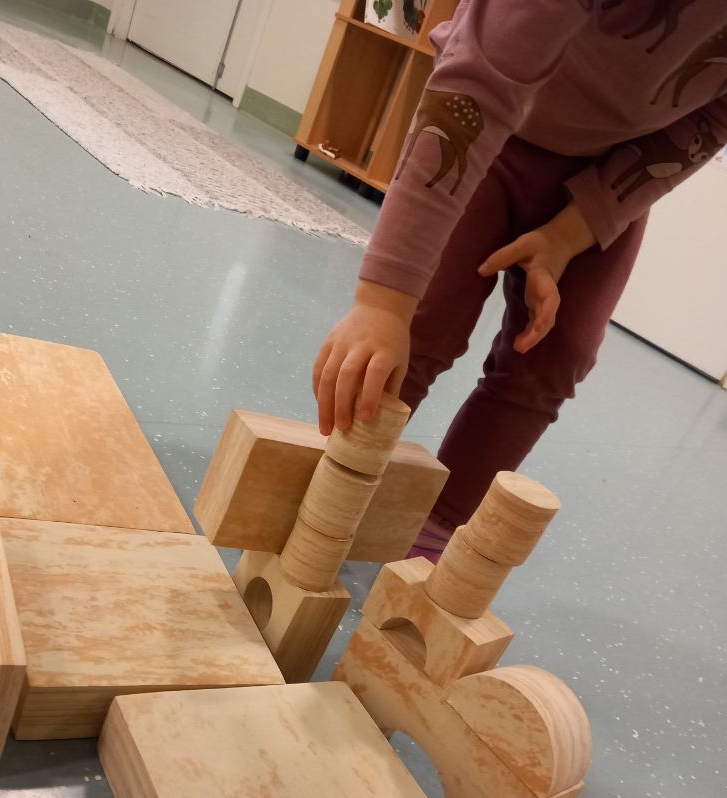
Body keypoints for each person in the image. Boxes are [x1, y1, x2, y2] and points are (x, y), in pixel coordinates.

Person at [312, 0, 727, 561]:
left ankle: (438, 527)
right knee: (423, 321)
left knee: (558, 354)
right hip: (492, 128)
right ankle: (335, 491)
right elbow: (478, 84)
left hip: (610, 169)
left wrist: (570, 234)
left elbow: (709, 121)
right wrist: (382, 305)